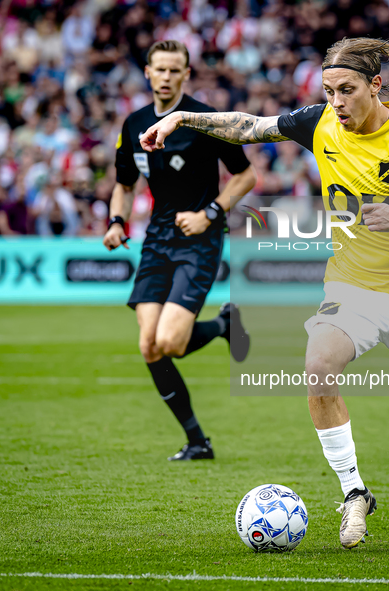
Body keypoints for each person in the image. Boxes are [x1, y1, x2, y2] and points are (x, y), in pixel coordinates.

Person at [140, 37, 389, 547]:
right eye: (328, 91)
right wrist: (183, 119)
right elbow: (250, 127)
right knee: (318, 366)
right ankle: (353, 493)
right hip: (353, 284)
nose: (336, 102)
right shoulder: (320, 120)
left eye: (347, 91)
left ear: (376, 86)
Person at [103, 40, 256, 462]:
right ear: (148, 73)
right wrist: (117, 221)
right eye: (160, 70)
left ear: (186, 74)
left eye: (175, 70)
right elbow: (124, 184)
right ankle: (197, 441)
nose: (167, 77)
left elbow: (246, 176)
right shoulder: (133, 123)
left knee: (169, 340)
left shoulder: (204, 120)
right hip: (156, 240)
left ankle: (224, 325)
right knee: (149, 346)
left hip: (201, 239)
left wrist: (210, 212)